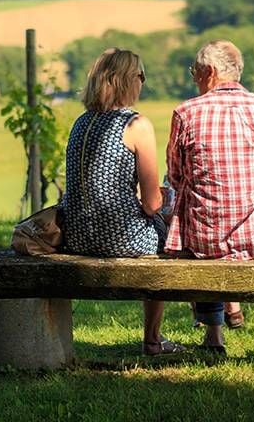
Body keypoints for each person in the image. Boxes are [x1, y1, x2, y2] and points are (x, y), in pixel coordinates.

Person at [59, 48, 182, 356]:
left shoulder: (81, 123)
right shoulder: (136, 125)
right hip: (119, 237)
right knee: (171, 238)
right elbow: (152, 203)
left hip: (75, 234)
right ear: (127, 80)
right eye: (141, 76)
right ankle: (155, 338)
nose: (143, 82)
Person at [165, 40, 254, 355]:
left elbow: (175, 176)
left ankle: (214, 333)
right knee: (220, 208)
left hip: (207, 240)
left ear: (210, 72)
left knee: (197, 224)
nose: (194, 78)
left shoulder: (186, 112)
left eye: (195, 72)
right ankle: (231, 305)